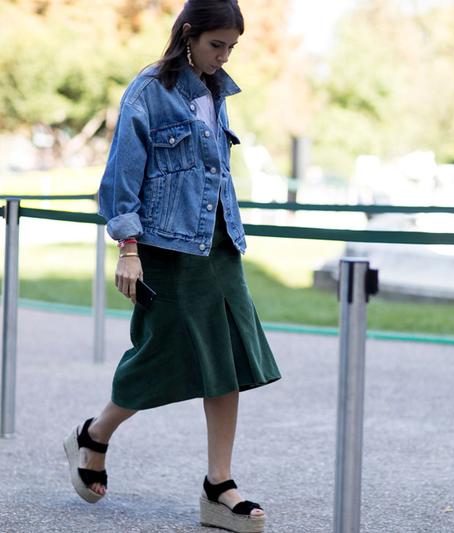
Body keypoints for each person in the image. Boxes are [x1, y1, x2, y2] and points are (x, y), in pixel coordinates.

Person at [64, 1, 281, 531]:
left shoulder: (216, 91)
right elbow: (120, 180)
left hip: (219, 245)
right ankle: (94, 435)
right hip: (166, 249)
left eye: (232, 47)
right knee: (159, 356)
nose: (224, 56)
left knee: (229, 359)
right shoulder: (149, 90)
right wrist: (129, 250)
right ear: (187, 34)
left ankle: (218, 486)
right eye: (216, 45)